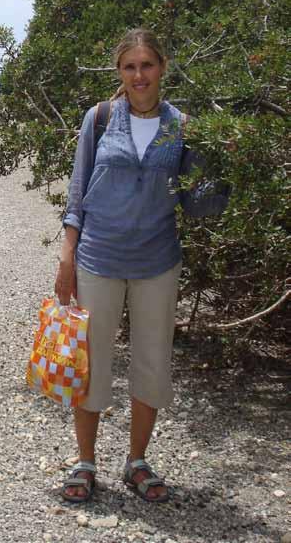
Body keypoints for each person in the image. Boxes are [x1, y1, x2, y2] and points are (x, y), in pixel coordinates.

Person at [55, 28, 228, 504]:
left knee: (152, 363)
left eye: (146, 66)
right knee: (92, 366)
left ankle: (137, 462)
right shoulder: (100, 119)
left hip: (157, 261)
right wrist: (67, 256)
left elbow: (199, 204)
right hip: (98, 258)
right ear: (120, 73)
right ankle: (85, 462)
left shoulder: (182, 126)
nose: (139, 75)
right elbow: (77, 193)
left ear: (162, 67)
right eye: (129, 67)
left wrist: (223, 164)